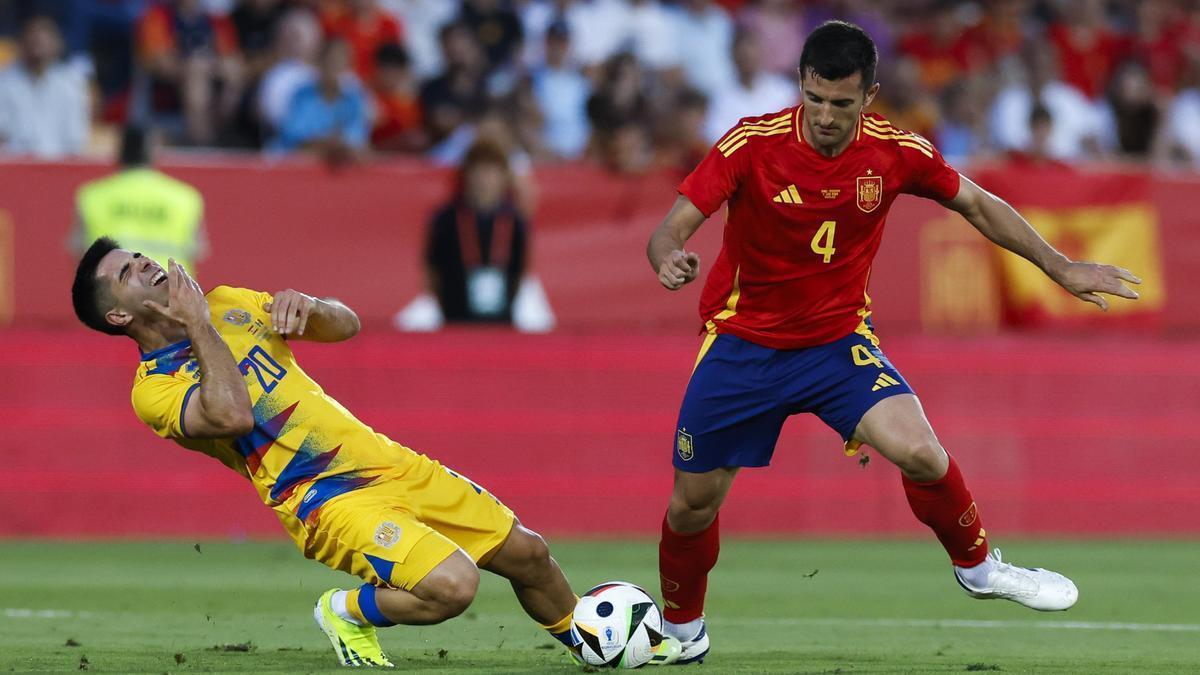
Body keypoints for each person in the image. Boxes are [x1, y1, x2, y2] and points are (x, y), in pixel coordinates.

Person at [646, 21, 1142, 665]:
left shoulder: (895, 150)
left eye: (842, 104)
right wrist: (669, 259)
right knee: (691, 506)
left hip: (836, 342)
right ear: (802, 84)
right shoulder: (750, 143)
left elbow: (980, 204)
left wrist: (1060, 267)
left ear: (870, 97)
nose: (825, 116)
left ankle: (980, 567)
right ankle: (683, 634)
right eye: (816, 99)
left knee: (923, 453)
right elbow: (670, 229)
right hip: (743, 344)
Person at [70, 237, 586, 667]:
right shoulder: (153, 390)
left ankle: (598, 647)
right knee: (453, 587)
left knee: (529, 554)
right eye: (126, 273)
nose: (144, 264)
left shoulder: (231, 302)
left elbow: (347, 325)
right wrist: (199, 323)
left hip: (385, 461)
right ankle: (347, 610)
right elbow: (233, 417)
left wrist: (312, 307)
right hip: (325, 499)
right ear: (118, 314)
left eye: (139, 257)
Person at [72, 126, 207, 274]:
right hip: (168, 289)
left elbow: (77, 249)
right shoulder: (185, 197)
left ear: (119, 152)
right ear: (154, 153)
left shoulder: (93, 195)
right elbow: (199, 251)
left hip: (113, 292)